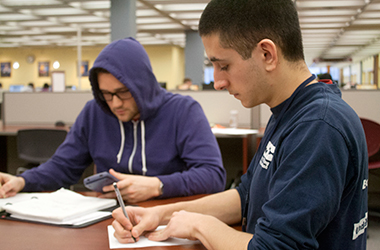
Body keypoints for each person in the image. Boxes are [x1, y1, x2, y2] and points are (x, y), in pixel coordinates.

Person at [111, 0, 368, 249]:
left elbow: (274, 247)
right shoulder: (290, 112)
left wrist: (201, 226)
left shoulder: (317, 126)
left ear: (267, 54)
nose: (218, 82)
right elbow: (245, 197)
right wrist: (161, 214)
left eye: (224, 66)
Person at [0, 37, 226, 203]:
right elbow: (62, 166)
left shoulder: (183, 111)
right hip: (111, 216)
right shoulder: (94, 112)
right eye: (106, 94)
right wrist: (22, 182)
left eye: (123, 92)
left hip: (168, 215)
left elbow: (213, 175)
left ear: (142, 84)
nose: (115, 103)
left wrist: (158, 185)